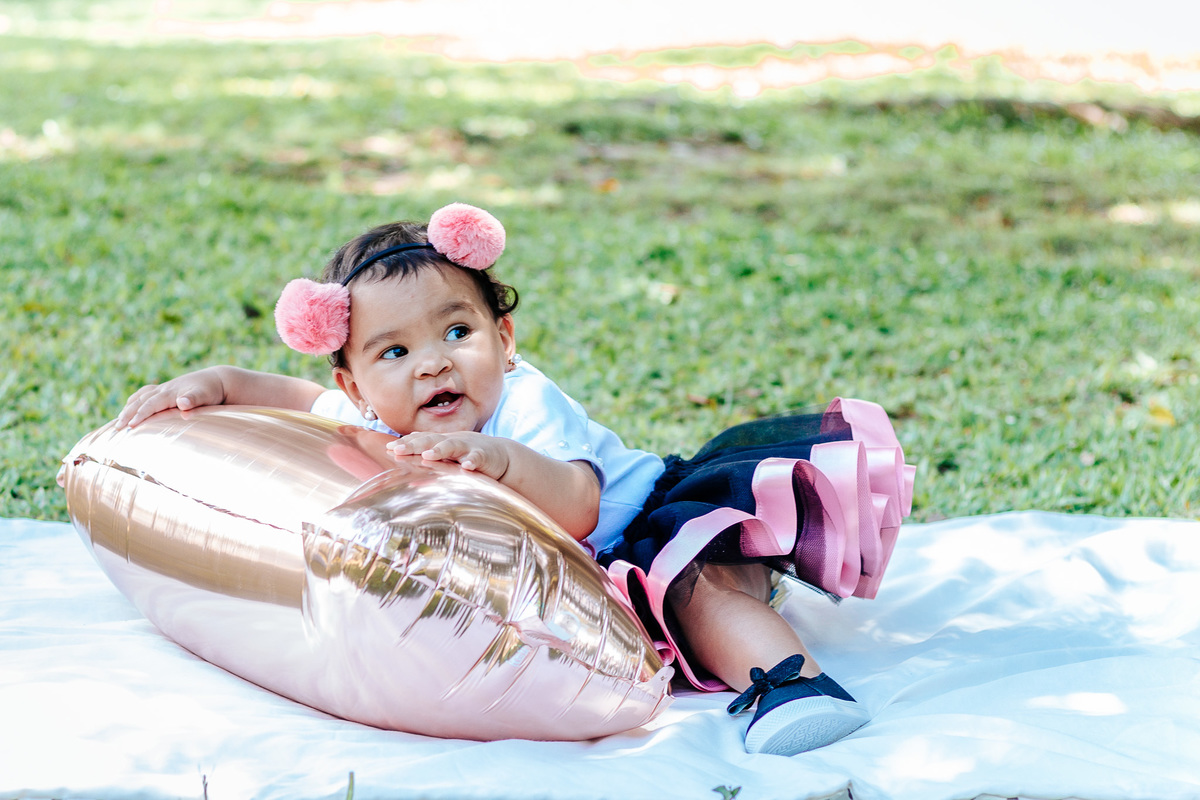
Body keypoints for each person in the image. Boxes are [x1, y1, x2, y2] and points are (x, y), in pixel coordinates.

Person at [117, 203, 914, 755]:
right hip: (585, 582)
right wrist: (218, 383)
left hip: (651, 529)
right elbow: (291, 396)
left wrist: (501, 463)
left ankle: (793, 688)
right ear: (357, 385)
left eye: (457, 332)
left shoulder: (525, 404)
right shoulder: (378, 418)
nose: (432, 362)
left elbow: (578, 503)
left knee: (697, 599)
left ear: (503, 339)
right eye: (393, 353)